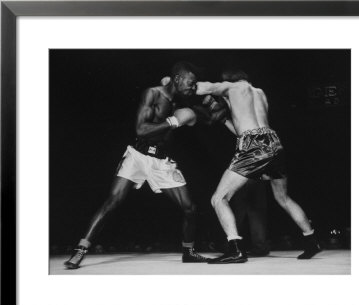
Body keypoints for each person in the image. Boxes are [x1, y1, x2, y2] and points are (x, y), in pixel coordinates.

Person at [64, 62, 210, 269]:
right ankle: (80, 250)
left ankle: (188, 252)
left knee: (190, 208)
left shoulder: (180, 101)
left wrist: (210, 103)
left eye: (195, 84)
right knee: (112, 202)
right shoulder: (152, 93)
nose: (193, 87)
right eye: (191, 82)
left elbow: (208, 115)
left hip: (162, 161)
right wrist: (172, 123)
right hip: (138, 155)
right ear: (178, 78)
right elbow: (141, 130)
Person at [196, 69, 321, 264]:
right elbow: (246, 127)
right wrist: (224, 119)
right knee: (283, 198)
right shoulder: (260, 93)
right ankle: (312, 240)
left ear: (228, 80)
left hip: (253, 145)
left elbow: (200, 88)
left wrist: (173, 81)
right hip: (274, 141)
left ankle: (235, 249)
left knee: (218, 198)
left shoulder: (231, 87)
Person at [230, 179, 270, 257]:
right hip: (256, 176)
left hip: (239, 175)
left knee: (237, 212)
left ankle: (232, 246)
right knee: (256, 214)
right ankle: (260, 247)